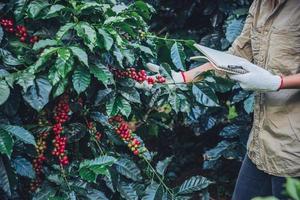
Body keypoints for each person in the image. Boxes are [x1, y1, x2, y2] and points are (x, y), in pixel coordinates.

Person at [143, 0, 300, 199]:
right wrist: (179, 78)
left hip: (293, 151)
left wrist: (277, 82)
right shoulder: (260, 5)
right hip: (261, 144)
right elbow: (235, 58)